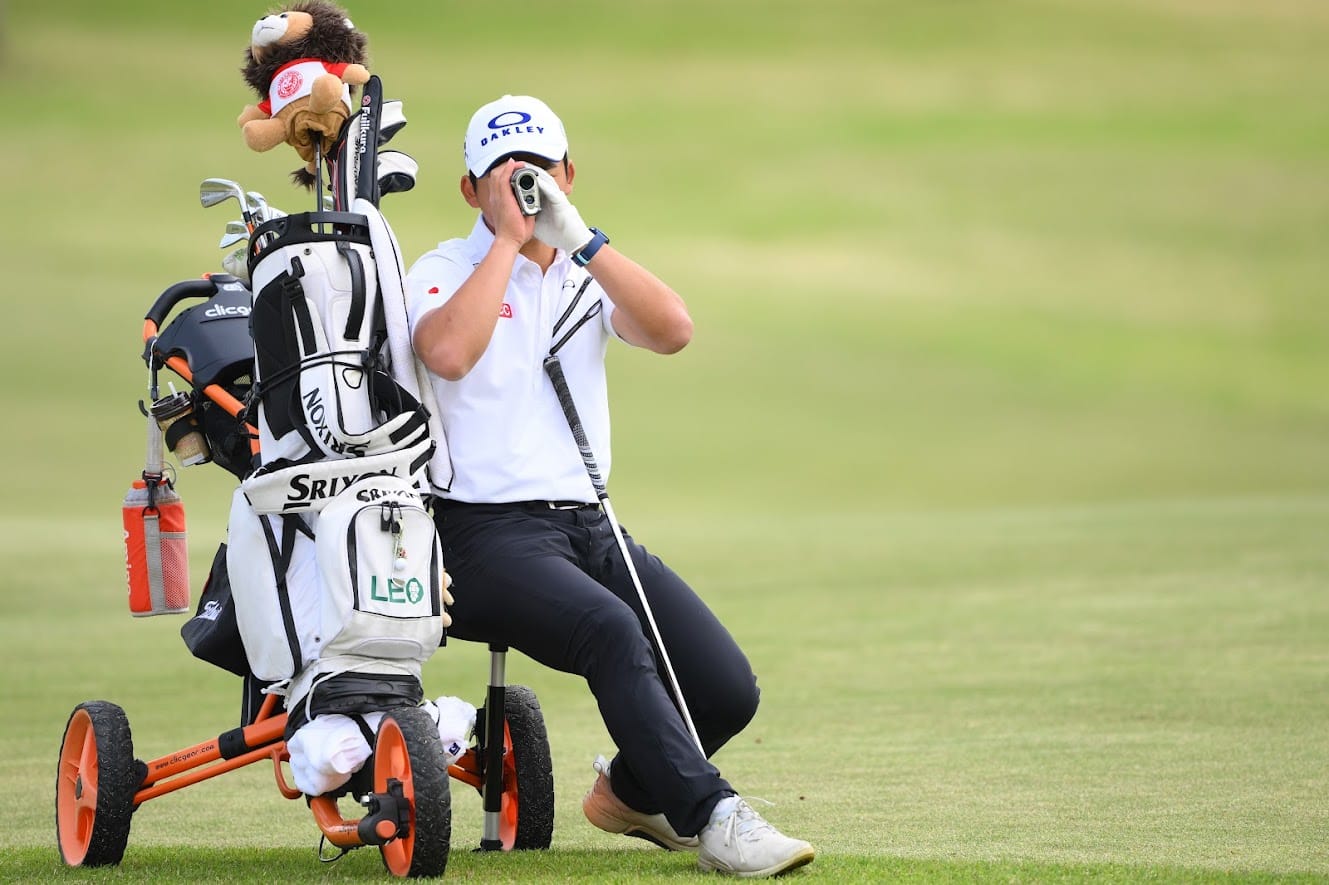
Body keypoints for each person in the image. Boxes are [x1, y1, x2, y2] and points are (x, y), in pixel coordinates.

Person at [404, 94, 814, 878]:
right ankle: (714, 819)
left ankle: (628, 792)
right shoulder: (442, 270)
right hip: (476, 536)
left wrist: (578, 238)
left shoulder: (585, 272)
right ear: (469, 190)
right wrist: (508, 244)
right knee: (611, 629)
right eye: (504, 176)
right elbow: (448, 354)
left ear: (568, 172)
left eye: (542, 171)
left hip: (588, 525)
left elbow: (672, 329)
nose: (525, 188)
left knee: (725, 691)